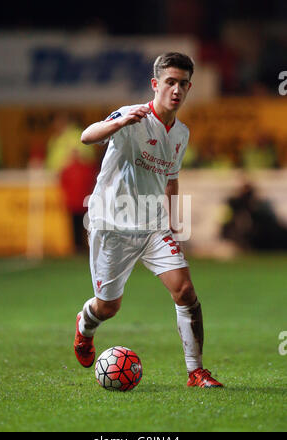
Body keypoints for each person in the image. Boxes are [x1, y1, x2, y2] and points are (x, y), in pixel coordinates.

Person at [74, 52, 223, 388]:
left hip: (153, 226)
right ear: (156, 84)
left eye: (183, 84)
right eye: (170, 81)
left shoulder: (181, 133)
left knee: (185, 291)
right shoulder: (133, 117)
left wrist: (173, 224)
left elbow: (171, 180)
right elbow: (87, 136)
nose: (177, 89)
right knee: (108, 307)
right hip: (112, 226)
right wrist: (118, 123)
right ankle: (85, 326)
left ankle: (195, 371)